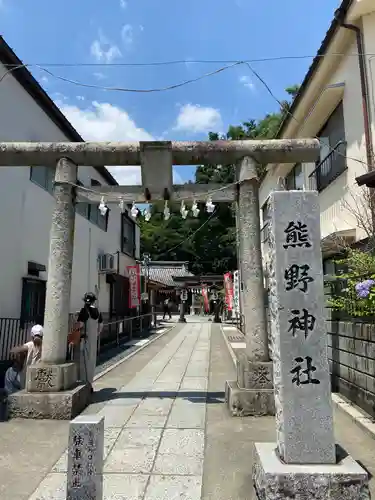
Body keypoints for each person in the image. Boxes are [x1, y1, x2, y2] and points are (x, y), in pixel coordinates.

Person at [77, 292, 103, 393]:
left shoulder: (84, 310)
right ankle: (90, 383)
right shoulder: (98, 311)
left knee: (84, 361)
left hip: (85, 339)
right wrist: (96, 334)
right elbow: (101, 326)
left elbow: (80, 325)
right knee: (92, 361)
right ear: (93, 301)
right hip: (93, 339)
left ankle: (85, 384)